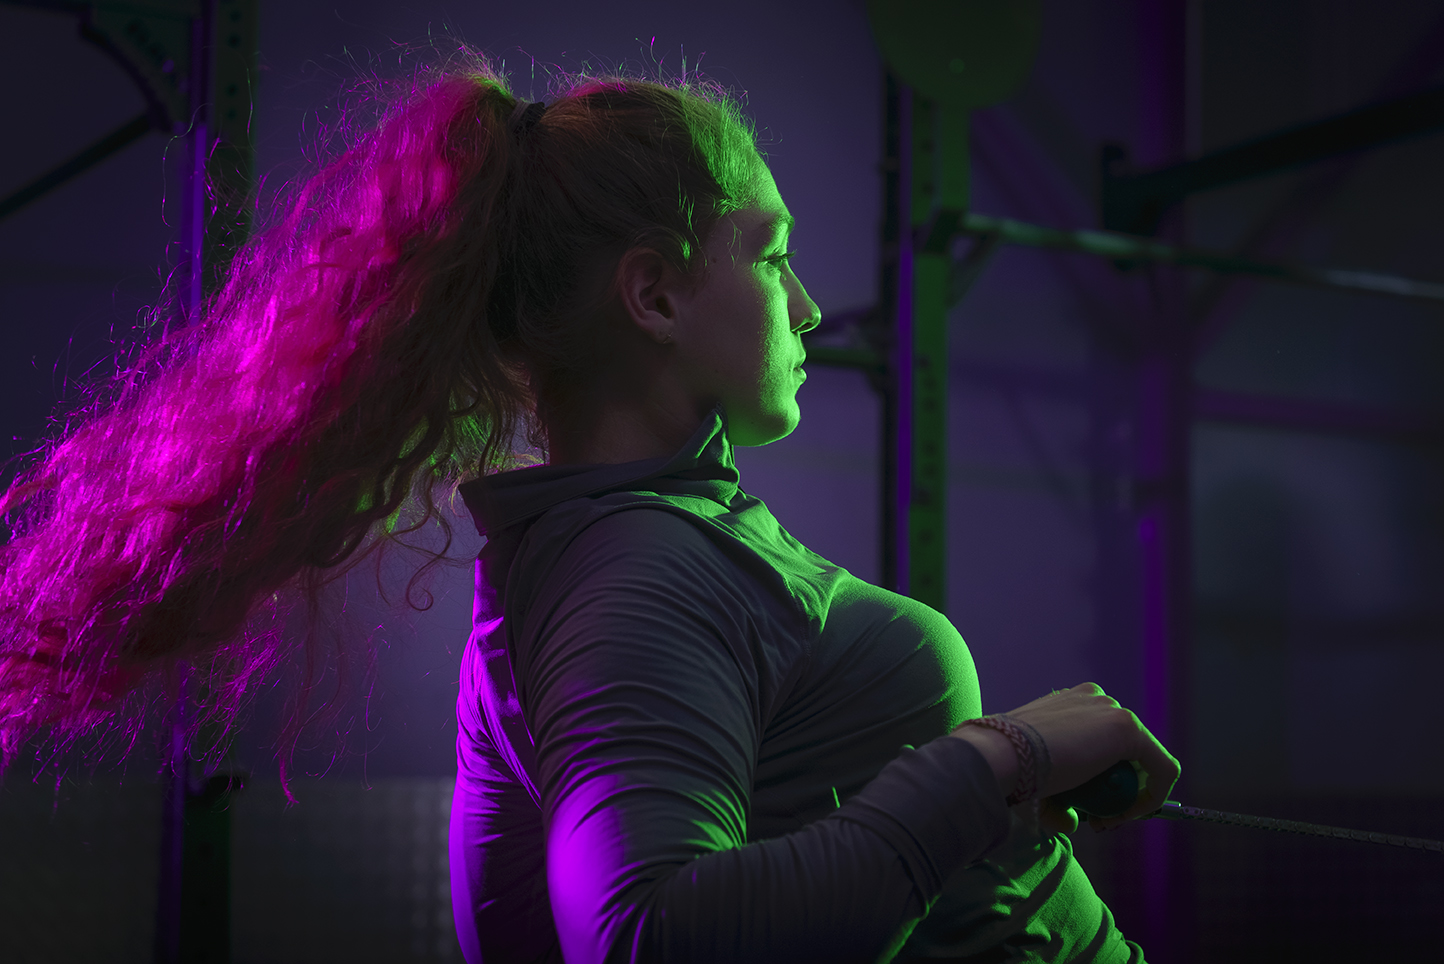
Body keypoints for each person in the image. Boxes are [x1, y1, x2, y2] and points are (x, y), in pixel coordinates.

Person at [0, 55, 1178, 963]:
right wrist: (1000, 757)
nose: (809, 308)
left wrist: (981, 800)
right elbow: (646, 937)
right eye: (770, 255)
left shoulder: (591, 564)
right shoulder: (634, 572)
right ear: (654, 294)